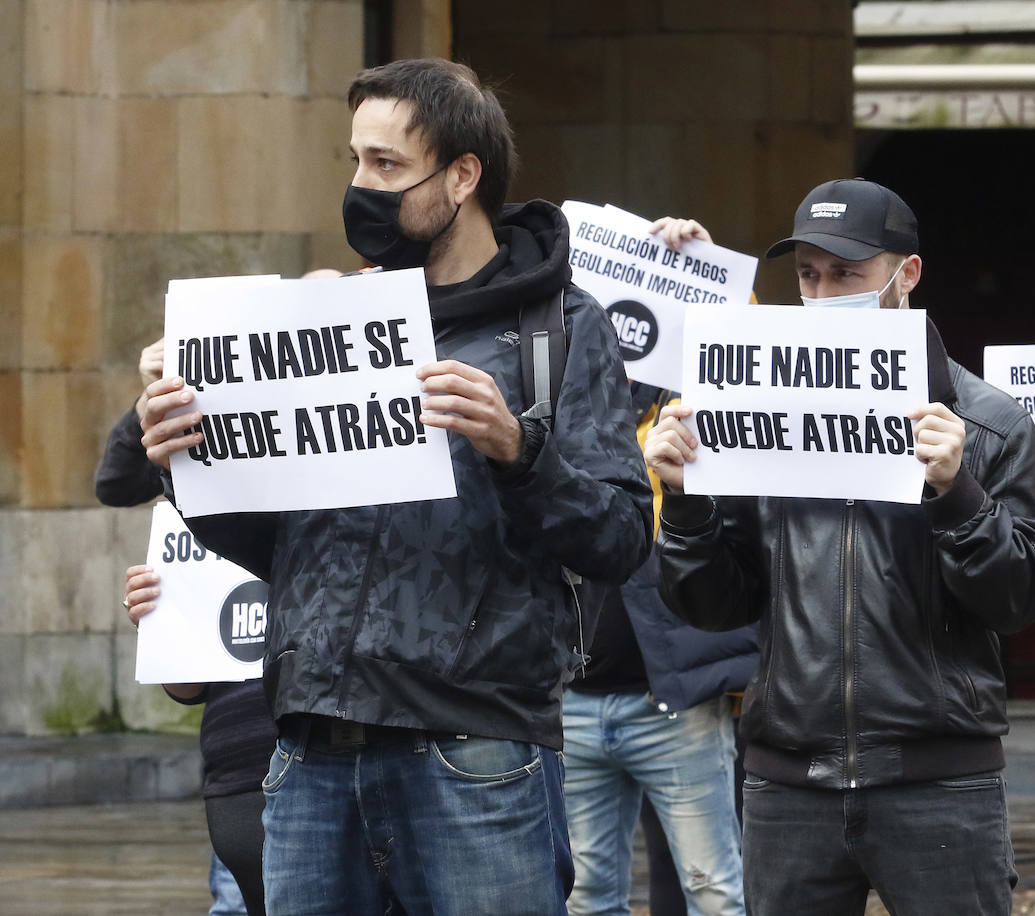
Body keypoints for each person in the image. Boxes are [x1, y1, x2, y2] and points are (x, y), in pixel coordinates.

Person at [138, 58, 653, 915]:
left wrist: (518, 450)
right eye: (354, 160)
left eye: (386, 164)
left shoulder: (560, 328)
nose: (361, 186)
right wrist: (186, 463)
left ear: (462, 176)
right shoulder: (328, 321)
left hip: (473, 752)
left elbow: (621, 537)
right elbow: (276, 549)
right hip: (309, 752)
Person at [644, 179, 1035, 916]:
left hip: (939, 783)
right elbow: (712, 605)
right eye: (809, 275)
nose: (824, 292)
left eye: (847, 273)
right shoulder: (751, 410)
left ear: (908, 274)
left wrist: (957, 494)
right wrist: (684, 503)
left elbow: (1022, 601)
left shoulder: (988, 424)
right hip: (789, 785)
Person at [562, 378, 756, 916]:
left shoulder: (685, 406)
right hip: (570, 706)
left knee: (715, 891)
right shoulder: (556, 401)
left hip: (675, 706)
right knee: (584, 897)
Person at [98, 335, 276, 916]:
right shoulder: (205, 452)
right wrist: (164, 619)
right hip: (238, 765)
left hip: (317, 751)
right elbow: (115, 481)